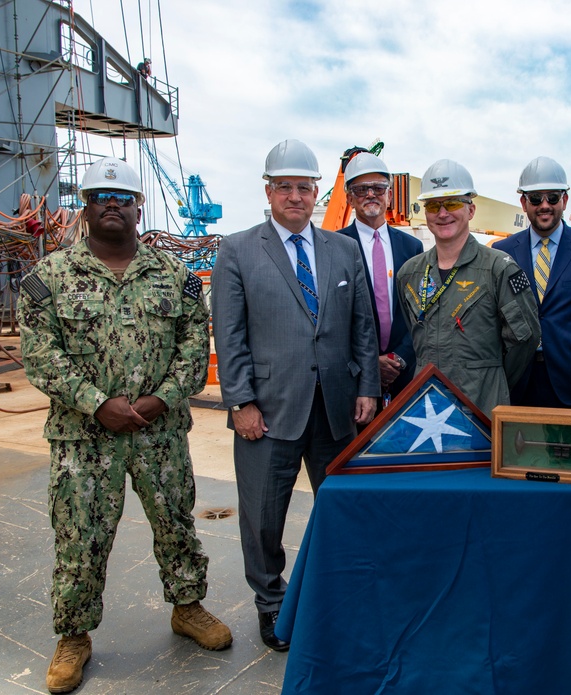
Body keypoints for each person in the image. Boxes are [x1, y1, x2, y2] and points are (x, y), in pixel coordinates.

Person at [18, 157, 231, 694]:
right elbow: (41, 356)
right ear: (85, 207)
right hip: (83, 439)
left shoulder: (174, 275)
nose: (112, 205)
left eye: (122, 198)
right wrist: (96, 403)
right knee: (79, 537)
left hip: (160, 433)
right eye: (100, 197)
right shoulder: (50, 277)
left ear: (139, 207)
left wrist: (164, 396)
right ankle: (73, 636)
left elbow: (191, 342)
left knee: (176, 524)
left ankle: (188, 607)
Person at [211, 139, 379, 651]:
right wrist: (241, 402)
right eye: (284, 187)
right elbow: (230, 333)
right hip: (268, 413)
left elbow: (362, 325)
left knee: (342, 510)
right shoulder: (238, 250)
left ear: (316, 193)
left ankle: (341, 593)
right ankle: (271, 603)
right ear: (269, 191)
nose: (295, 197)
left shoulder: (342, 249)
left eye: (304, 188)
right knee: (263, 519)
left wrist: (367, 386)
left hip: (334, 411)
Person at [395, 159, 540, 417]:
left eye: (452, 203)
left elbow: (524, 340)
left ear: (471, 210)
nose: (442, 213)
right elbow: (415, 333)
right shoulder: (410, 273)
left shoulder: (499, 269)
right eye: (433, 205)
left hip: (481, 408)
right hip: (426, 410)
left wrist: (489, 377)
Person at [492, 157, 571, 408]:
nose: (544, 205)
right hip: (517, 381)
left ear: (565, 201)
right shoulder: (502, 252)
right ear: (524, 203)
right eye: (536, 198)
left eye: (553, 198)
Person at [337, 152, 423, 406]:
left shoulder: (412, 248)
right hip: (355, 380)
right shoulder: (334, 247)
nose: (371, 194)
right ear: (349, 197)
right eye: (361, 189)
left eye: (378, 188)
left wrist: (400, 358)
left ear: (390, 195)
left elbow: (421, 312)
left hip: (404, 374)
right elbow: (334, 321)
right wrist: (370, 362)